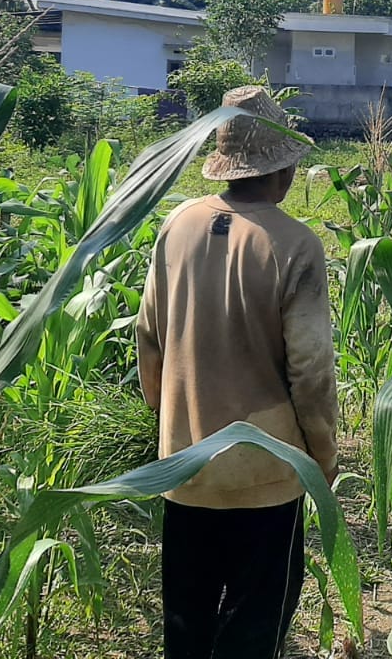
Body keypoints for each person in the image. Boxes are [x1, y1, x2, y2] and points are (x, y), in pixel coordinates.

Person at [136, 85, 339, 659]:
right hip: (267, 476)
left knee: (187, 618)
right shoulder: (295, 244)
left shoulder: (177, 225)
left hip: (184, 465)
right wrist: (320, 456)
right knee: (253, 625)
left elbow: (148, 335)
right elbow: (311, 372)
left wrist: (167, 422)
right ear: (285, 169)